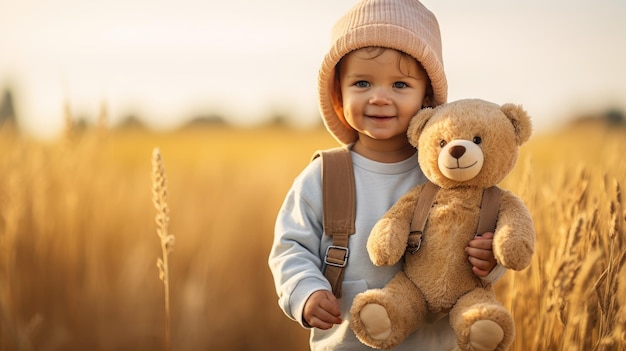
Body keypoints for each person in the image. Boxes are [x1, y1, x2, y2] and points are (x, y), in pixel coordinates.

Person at [268, 0, 505, 349]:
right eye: (362, 83)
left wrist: (489, 260)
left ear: (427, 98)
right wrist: (306, 292)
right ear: (339, 93)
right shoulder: (325, 175)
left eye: (400, 85)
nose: (379, 98)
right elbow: (290, 247)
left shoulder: (451, 175)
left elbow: (487, 237)